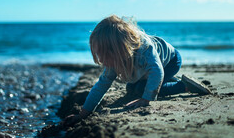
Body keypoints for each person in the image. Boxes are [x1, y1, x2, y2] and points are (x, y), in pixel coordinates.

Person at [64, 15, 210, 125]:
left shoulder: (144, 50)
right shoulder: (117, 58)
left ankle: (183, 86)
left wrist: (146, 99)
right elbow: (101, 85)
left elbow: (157, 71)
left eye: (104, 55)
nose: (101, 60)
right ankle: (170, 82)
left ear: (118, 50)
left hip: (169, 62)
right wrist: (83, 114)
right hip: (151, 70)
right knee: (131, 88)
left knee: (142, 90)